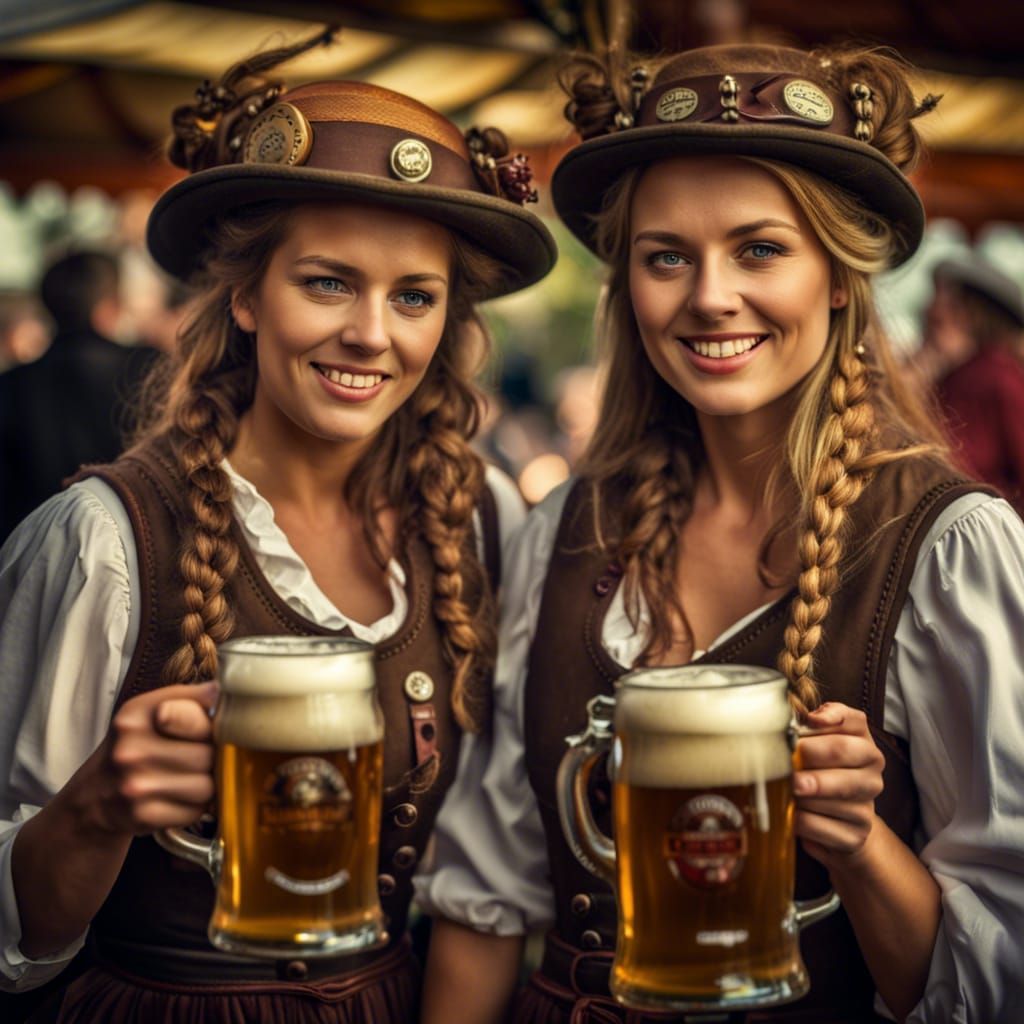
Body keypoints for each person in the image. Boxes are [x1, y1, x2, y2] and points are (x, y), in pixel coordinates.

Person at [417, 43, 1024, 1024]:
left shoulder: (952, 552)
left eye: (758, 248)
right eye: (666, 256)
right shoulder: (560, 533)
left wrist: (859, 841)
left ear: (837, 276)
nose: (706, 295)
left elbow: (983, 986)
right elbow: (485, 904)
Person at [0, 30, 554, 1024]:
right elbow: (15, 949)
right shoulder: (101, 541)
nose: (372, 333)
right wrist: (94, 808)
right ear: (247, 295)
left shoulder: (483, 520)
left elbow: (489, 870)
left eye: (414, 297)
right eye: (329, 281)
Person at [0, 249, 139, 542]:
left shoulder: (10, 387)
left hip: (29, 556)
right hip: (136, 552)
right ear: (111, 306)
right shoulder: (150, 372)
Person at [916, 256, 1024, 513]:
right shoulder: (948, 377)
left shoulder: (1000, 378)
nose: (931, 310)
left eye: (950, 305)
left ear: (973, 315)